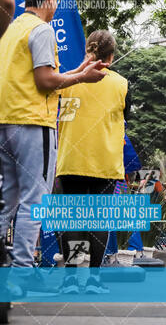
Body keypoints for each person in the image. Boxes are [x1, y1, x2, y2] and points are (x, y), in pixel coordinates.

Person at [0, 0, 106, 295]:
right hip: (35, 123)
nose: (57, 4)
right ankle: (21, 272)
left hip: (6, 122)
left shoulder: (10, 31)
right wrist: (81, 78)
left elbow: (36, 76)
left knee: (8, 198)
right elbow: (46, 81)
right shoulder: (42, 29)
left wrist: (79, 72)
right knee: (36, 200)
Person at [56, 30, 129, 294]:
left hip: (71, 160)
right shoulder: (122, 84)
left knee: (74, 220)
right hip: (105, 163)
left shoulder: (67, 80)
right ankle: (94, 281)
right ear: (112, 55)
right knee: (98, 220)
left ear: (88, 49)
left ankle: (71, 281)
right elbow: (124, 122)